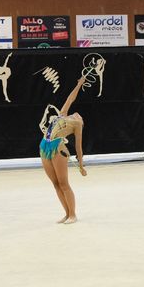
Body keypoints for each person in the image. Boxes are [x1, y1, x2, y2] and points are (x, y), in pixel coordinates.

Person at [39, 73, 89, 224]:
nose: (79, 114)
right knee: (55, 184)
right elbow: (70, 98)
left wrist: (81, 165)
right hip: (44, 146)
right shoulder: (62, 114)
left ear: (81, 121)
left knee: (63, 183)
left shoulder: (77, 124)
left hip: (58, 148)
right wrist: (79, 84)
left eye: (81, 116)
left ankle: (73, 214)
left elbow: (78, 147)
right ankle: (67, 214)